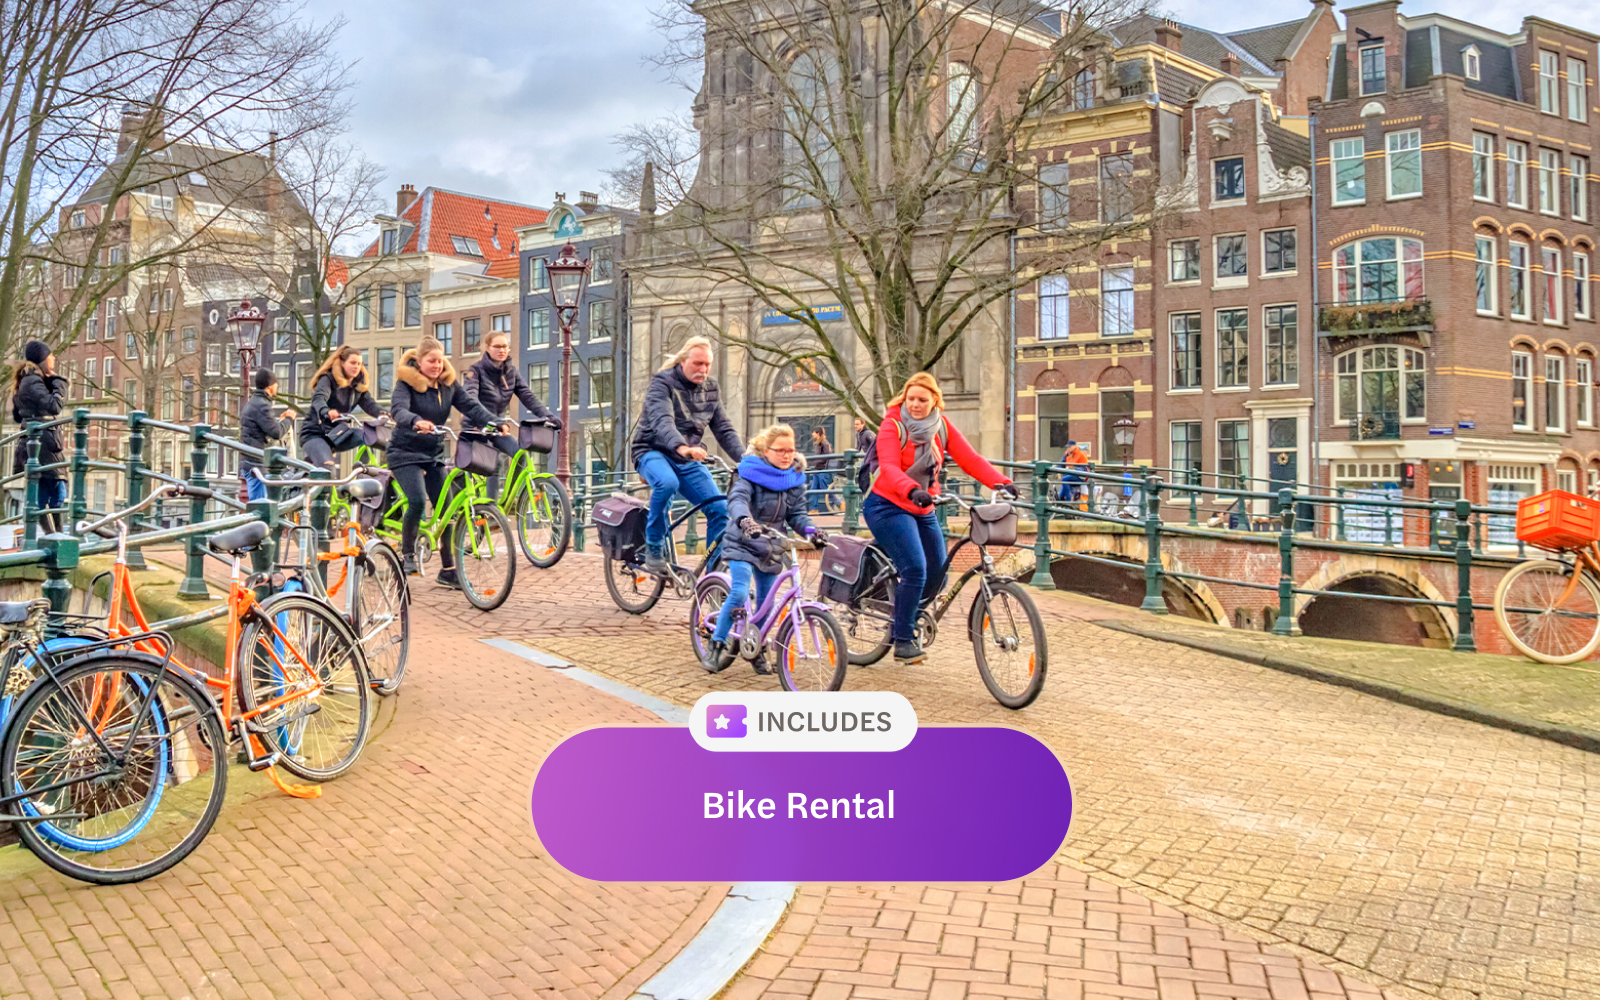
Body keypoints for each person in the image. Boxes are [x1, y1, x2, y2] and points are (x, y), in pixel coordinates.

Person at [865, 372, 1017, 664]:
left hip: (922, 505)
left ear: (935, 400)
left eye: (922, 400)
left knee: (939, 569)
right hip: (887, 505)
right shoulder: (892, 425)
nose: (916, 405)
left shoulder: (941, 427)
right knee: (915, 568)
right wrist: (912, 489)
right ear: (904, 399)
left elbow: (970, 459)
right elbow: (889, 467)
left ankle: (905, 609)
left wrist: (1001, 482)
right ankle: (903, 639)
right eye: (911, 399)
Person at [700, 424, 825, 673]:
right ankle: (716, 645)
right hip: (743, 541)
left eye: (790, 450)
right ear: (766, 451)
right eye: (780, 450)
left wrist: (813, 531)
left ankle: (756, 649)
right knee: (739, 592)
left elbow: (797, 514)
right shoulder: (749, 473)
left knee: (767, 605)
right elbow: (737, 500)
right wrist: (745, 520)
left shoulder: (794, 478)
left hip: (771, 545)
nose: (786, 455)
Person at [389, 337, 500, 587]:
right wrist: (416, 420)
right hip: (405, 453)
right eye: (431, 361)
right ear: (419, 362)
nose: (437, 365)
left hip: (433, 454)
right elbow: (398, 409)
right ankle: (407, 553)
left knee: (448, 510)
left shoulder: (449, 386)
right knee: (417, 501)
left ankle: (449, 571)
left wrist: (494, 422)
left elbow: (471, 407)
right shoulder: (406, 385)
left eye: (440, 360)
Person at [630, 336, 744, 572]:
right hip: (652, 450)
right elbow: (663, 421)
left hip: (687, 457)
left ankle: (713, 576)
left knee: (720, 508)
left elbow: (723, 429)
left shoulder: (711, 388)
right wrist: (682, 447)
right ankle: (653, 546)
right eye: (697, 363)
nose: (703, 369)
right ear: (683, 361)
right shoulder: (662, 383)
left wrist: (747, 461)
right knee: (667, 482)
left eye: (707, 364)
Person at [461, 329, 559, 497]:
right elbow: (470, 398)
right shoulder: (475, 370)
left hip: (496, 428)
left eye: (505, 346)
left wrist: (547, 416)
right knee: (494, 461)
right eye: (497, 346)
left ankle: (510, 498)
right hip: (476, 428)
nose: (502, 350)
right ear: (487, 348)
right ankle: (491, 509)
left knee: (520, 455)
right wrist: (490, 420)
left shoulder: (511, 372)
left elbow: (528, 396)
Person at [11, 340, 68, 530]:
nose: (53, 358)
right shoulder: (33, 381)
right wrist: (59, 383)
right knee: (52, 493)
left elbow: (17, 415)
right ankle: (54, 536)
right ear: (42, 359)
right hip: (42, 446)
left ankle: (56, 536)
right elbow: (54, 406)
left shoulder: (30, 380)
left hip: (44, 445)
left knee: (54, 491)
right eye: (49, 355)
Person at [300, 346, 382, 470]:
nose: (357, 367)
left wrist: (384, 414)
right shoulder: (328, 379)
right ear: (342, 363)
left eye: (359, 364)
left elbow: (370, 404)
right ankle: (309, 476)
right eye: (353, 363)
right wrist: (326, 411)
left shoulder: (357, 386)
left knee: (369, 435)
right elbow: (319, 398)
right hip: (315, 434)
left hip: (337, 434)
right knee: (326, 469)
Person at [240, 368, 298, 502]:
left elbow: (265, 428)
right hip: (257, 465)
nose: (277, 386)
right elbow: (276, 433)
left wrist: (281, 422)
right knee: (262, 507)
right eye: (276, 383)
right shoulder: (262, 405)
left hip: (250, 462)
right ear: (270, 386)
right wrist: (289, 419)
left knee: (260, 504)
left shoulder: (255, 402)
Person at [808, 426, 836, 513]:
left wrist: (815, 462)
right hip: (817, 469)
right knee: (813, 490)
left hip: (822, 470)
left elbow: (826, 457)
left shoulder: (824, 443)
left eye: (813, 432)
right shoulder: (819, 443)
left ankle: (839, 504)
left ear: (817, 433)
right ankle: (814, 508)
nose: (812, 434)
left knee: (825, 490)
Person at [1056, 440, 1089, 507]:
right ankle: (1063, 509)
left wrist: (1073, 469)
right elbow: (1061, 464)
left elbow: (1083, 468)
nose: (1068, 448)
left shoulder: (1081, 455)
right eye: (1067, 447)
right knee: (1061, 496)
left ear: (1074, 446)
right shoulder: (1066, 454)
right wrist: (1055, 469)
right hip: (1069, 475)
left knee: (1064, 479)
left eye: (1069, 447)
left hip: (1079, 476)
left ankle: (1068, 501)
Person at [854, 416, 877, 497]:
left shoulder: (868, 434)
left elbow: (875, 446)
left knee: (866, 477)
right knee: (862, 476)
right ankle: (865, 494)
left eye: (857, 424)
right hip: (866, 459)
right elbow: (858, 447)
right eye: (855, 424)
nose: (855, 426)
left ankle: (868, 493)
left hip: (871, 460)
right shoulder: (859, 434)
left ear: (863, 424)